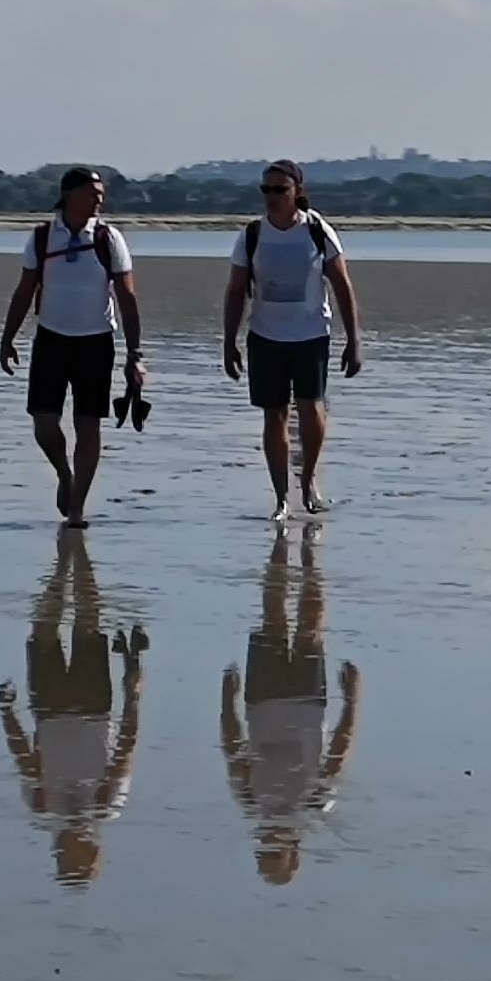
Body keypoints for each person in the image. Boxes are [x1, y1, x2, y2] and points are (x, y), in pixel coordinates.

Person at [0, 528, 146, 886]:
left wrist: (7, 715)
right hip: (93, 705)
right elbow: (126, 747)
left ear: (61, 851)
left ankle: (63, 569)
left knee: (43, 630)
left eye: (75, 856)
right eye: (87, 855)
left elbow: (24, 758)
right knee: (88, 622)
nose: (80, 847)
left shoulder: (41, 806)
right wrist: (133, 696)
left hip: (48, 708)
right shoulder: (106, 806)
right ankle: (78, 561)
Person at [0, 167, 146, 529]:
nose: (99, 198)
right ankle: (65, 473)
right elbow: (24, 292)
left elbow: (127, 299)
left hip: (96, 342)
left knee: (88, 426)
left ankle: (78, 507)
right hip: (51, 339)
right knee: (44, 425)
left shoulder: (109, 239)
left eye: (101, 193)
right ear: (69, 194)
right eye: (92, 192)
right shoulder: (41, 238)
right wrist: (8, 339)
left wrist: (134, 355)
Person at [221, 159, 364, 519]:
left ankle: (308, 480)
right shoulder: (252, 234)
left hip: (311, 334)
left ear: (296, 191)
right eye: (265, 190)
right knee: (274, 415)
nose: (272, 197)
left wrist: (354, 340)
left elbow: (342, 286)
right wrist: (228, 341)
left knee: (311, 407)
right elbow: (237, 290)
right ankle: (282, 497)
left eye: (279, 190)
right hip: (265, 335)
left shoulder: (316, 230)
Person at [220, 528, 360, 880]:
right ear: (292, 849)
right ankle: (311, 553)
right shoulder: (315, 804)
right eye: (273, 853)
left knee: (273, 618)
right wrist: (352, 701)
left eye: (262, 853)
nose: (268, 843)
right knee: (310, 626)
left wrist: (227, 702)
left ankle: (280, 545)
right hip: (308, 700)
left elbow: (233, 749)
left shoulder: (249, 801)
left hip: (261, 698)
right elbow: (338, 751)